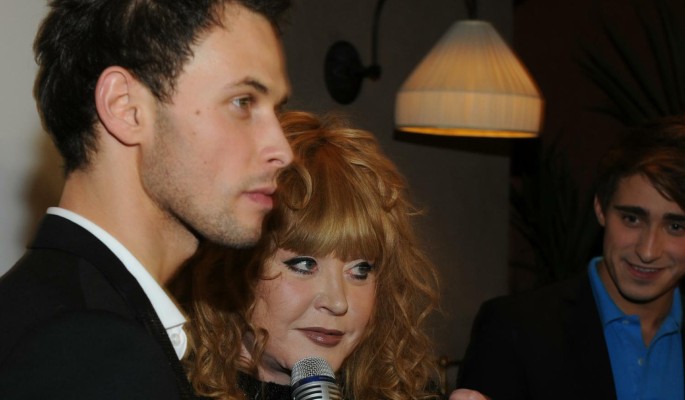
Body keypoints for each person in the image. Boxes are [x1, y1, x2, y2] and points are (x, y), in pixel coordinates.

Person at [0, 1, 292, 399]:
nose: (282, 150)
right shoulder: (93, 355)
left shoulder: (50, 313)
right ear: (126, 108)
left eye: (277, 110)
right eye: (242, 102)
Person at [171, 110, 444, 399]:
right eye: (304, 264)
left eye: (361, 270)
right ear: (232, 269)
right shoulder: (160, 385)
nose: (338, 302)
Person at [455, 117, 685, 400]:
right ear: (600, 208)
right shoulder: (515, 329)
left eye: (676, 226)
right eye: (631, 219)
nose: (648, 251)